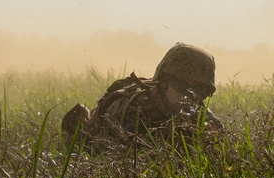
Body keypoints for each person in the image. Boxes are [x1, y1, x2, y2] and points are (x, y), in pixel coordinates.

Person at [62, 42, 222, 145]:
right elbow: (130, 161)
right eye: (181, 87)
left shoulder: (197, 111)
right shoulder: (136, 110)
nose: (189, 97)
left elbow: (221, 145)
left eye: (199, 91)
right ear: (164, 82)